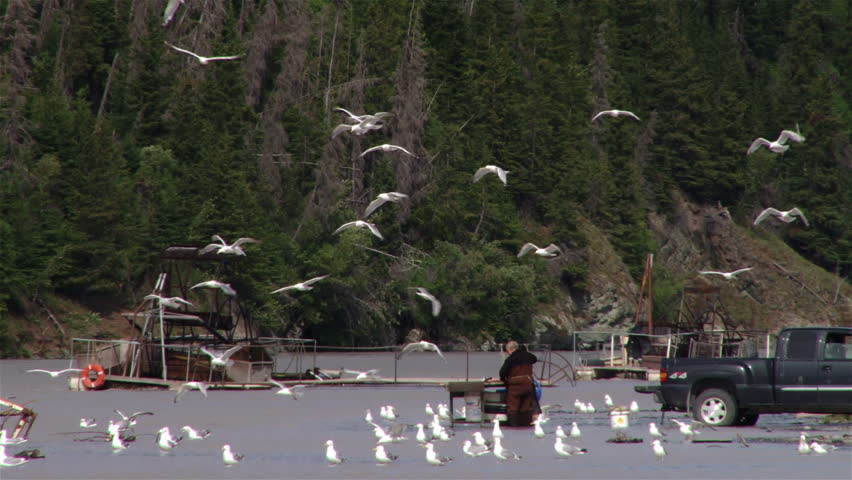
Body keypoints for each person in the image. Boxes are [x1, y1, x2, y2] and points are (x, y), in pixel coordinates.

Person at [498, 341, 541, 427]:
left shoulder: (510, 359)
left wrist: (504, 380)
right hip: (528, 385)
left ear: (510, 350)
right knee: (526, 407)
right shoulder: (528, 356)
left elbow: (502, 373)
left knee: (513, 407)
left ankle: (514, 425)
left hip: (515, 387)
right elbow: (535, 359)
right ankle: (526, 425)